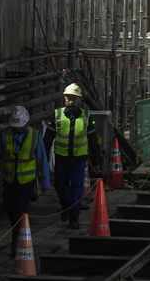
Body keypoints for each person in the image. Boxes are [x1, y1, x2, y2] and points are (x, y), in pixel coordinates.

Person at [0, 105, 50, 257]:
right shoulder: (5, 135)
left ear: (26, 123)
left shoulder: (34, 136)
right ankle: (19, 238)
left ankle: (16, 244)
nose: (17, 129)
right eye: (15, 126)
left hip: (27, 182)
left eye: (20, 126)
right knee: (11, 211)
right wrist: (2, 153)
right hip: (10, 180)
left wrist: (45, 182)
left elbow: (42, 159)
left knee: (19, 212)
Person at [44, 83, 101, 230]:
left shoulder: (86, 117)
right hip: (61, 159)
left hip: (78, 161)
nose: (70, 101)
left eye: (74, 98)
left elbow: (93, 141)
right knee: (59, 186)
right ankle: (66, 206)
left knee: (76, 188)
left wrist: (97, 160)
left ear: (80, 100)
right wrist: (43, 159)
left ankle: (74, 219)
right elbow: (48, 139)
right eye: (68, 98)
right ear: (64, 99)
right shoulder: (56, 115)